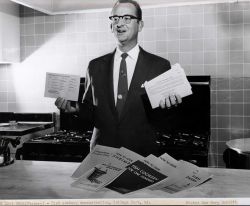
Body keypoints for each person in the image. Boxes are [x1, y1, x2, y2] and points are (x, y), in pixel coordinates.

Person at [55, 0, 182, 156]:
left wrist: (170, 107)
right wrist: (75, 109)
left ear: (140, 25)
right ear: (111, 26)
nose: (120, 23)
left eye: (127, 18)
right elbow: (93, 114)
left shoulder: (159, 66)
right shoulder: (94, 66)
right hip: (101, 154)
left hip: (142, 155)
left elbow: (166, 122)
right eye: (115, 18)